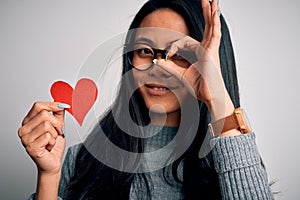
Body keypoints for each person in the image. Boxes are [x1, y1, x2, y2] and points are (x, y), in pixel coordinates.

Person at [18, 0, 274, 199]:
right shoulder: (82, 159)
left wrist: (218, 97)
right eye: (145, 50)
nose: (159, 67)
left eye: (180, 53)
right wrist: (49, 176)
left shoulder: (236, 161)